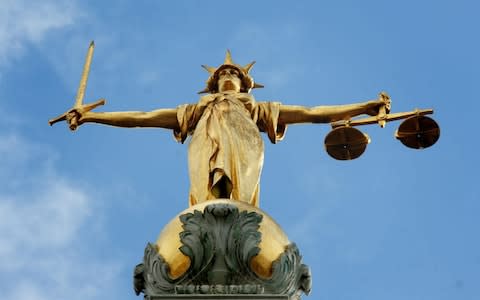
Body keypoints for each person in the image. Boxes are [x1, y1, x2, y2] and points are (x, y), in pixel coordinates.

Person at [65, 51, 389, 207]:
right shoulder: (197, 111)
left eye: (234, 72)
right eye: (223, 73)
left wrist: (363, 106)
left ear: (246, 84)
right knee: (205, 205)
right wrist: (94, 117)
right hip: (204, 146)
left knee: (242, 206)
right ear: (215, 82)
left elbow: (311, 113)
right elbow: (144, 117)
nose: (229, 75)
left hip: (245, 147)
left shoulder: (256, 108)